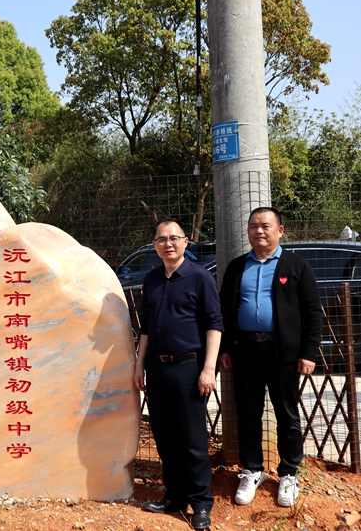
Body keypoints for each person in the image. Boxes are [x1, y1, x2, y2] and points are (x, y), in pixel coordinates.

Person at [219, 207, 323, 507]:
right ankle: (252, 470)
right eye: (253, 226)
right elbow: (224, 311)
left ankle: (289, 473)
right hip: (245, 350)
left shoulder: (296, 265)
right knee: (248, 413)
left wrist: (308, 352)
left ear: (280, 230)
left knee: (287, 414)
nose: (259, 231)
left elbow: (313, 313)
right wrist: (225, 348)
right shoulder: (237, 267)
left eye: (265, 225)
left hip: (283, 353)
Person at [133, 219, 222, 531]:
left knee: (193, 439)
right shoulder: (152, 279)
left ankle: (201, 503)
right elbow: (145, 327)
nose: (168, 243)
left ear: (185, 242)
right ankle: (174, 496)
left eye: (174, 238)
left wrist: (208, 369)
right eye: (161, 239)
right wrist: (139, 365)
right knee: (165, 435)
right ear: (154, 245)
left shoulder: (200, 278)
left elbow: (214, 323)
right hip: (156, 368)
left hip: (189, 367)